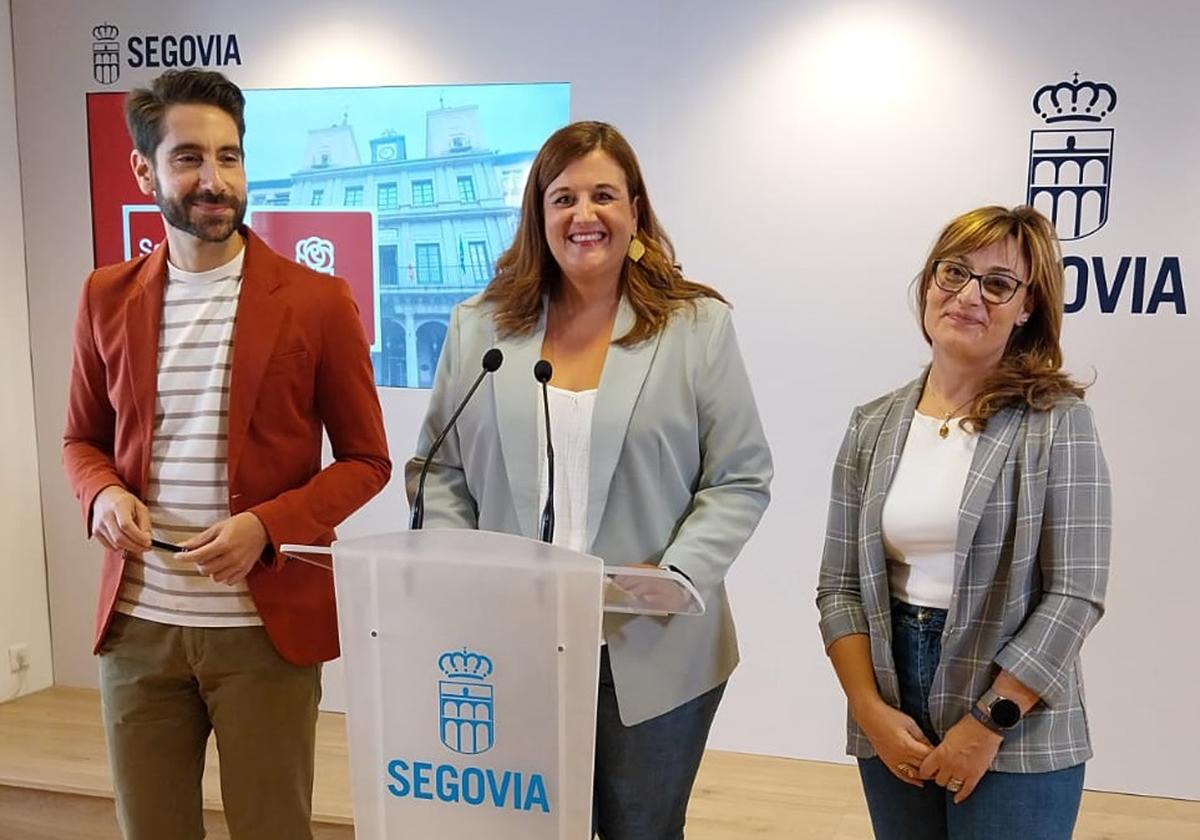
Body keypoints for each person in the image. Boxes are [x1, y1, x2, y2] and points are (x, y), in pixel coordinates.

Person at [406, 120, 772, 839]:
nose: (584, 215)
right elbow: (438, 467)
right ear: (538, 216)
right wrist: (463, 564)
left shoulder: (696, 327)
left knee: (643, 830)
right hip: (516, 641)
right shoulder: (479, 328)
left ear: (635, 210)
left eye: (604, 195)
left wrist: (679, 572)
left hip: (655, 645)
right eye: (563, 197)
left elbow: (740, 476)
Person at [63, 69, 391, 840]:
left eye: (229, 157)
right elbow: (82, 439)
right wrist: (102, 495)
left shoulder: (317, 300)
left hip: (263, 630)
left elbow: (367, 460)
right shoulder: (104, 295)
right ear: (145, 170)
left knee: (273, 830)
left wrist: (269, 527)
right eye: (188, 159)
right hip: (138, 629)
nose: (214, 180)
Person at [816, 205, 1111, 840]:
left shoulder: (1058, 422)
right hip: (894, 702)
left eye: (998, 283)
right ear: (928, 283)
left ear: (1027, 308)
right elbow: (838, 589)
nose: (969, 296)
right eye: (954, 273)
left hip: (1018, 713)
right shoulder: (871, 424)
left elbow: (1075, 594)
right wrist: (868, 711)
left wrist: (989, 720)